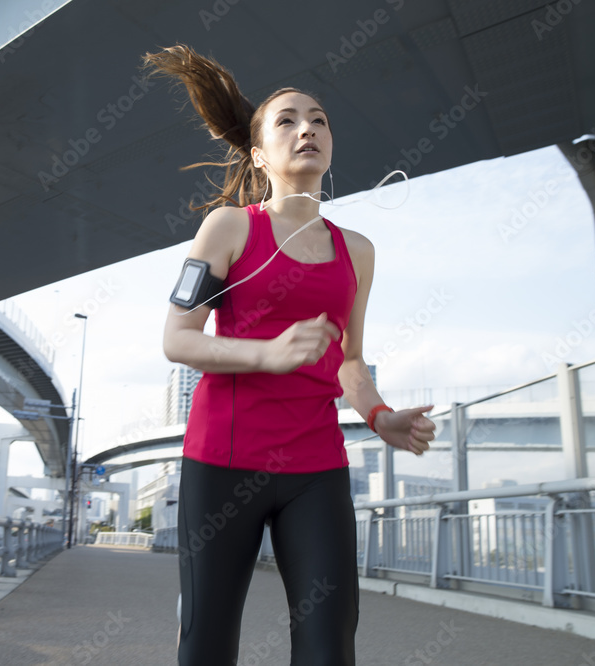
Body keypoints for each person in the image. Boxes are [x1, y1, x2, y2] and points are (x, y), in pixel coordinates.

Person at [143, 45, 437, 665]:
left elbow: (349, 362)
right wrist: (268, 353)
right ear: (258, 154)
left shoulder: (358, 250)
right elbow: (177, 338)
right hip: (223, 461)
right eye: (287, 120)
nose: (308, 128)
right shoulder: (229, 228)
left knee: (330, 645)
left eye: (320, 119)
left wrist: (381, 416)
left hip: (316, 467)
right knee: (207, 644)